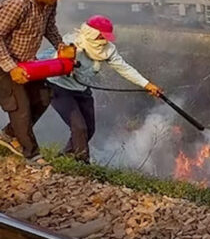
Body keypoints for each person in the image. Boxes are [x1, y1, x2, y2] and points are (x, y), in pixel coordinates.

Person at [37, 15, 162, 164]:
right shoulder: (72, 43)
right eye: (102, 37)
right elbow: (53, 59)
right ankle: (82, 162)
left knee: (89, 129)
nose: (105, 41)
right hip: (59, 88)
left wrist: (147, 84)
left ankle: (65, 157)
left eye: (106, 38)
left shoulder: (108, 50)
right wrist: (65, 64)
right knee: (79, 127)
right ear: (92, 34)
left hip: (82, 89)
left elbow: (124, 68)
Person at [0, 0, 74, 167]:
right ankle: (32, 155)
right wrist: (11, 67)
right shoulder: (18, 3)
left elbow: (49, 27)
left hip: (27, 62)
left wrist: (60, 46)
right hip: (6, 63)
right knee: (20, 108)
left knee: (43, 97)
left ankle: (8, 134)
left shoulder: (48, 4)